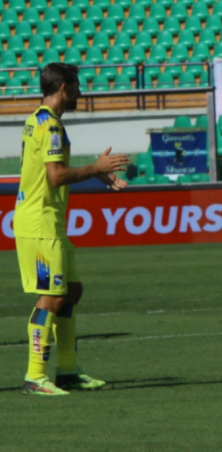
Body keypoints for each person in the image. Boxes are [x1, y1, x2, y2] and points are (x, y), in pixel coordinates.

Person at [14, 63, 129, 396]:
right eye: (77, 85)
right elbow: (55, 176)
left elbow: (55, 172)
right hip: (39, 223)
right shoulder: (49, 126)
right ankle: (35, 376)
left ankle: (67, 371)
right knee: (51, 296)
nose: (81, 91)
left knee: (71, 291)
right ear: (64, 87)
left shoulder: (42, 120)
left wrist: (97, 173)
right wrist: (96, 167)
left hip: (50, 221)